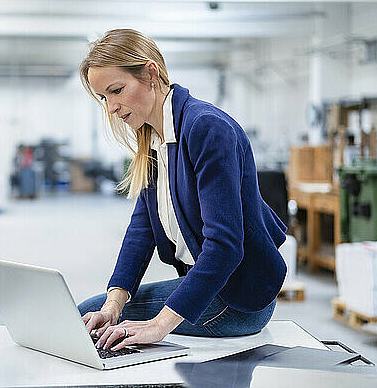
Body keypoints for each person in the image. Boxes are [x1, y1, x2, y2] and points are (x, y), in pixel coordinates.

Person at [77, 29, 287, 352]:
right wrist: (114, 303)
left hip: (238, 299)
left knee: (84, 320)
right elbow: (141, 230)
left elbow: (225, 246)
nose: (112, 108)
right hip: (208, 288)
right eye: (104, 98)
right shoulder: (154, 139)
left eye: (116, 90)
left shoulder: (205, 128)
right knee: (97, 315)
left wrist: (158, 326)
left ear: (150, 73)